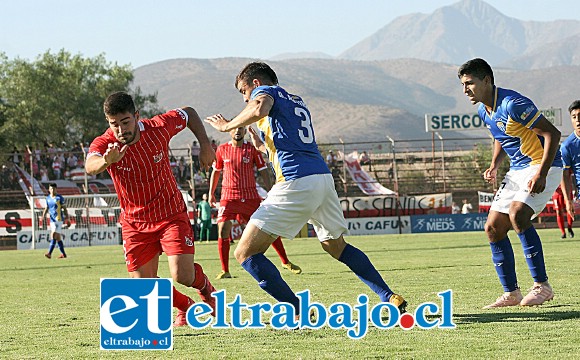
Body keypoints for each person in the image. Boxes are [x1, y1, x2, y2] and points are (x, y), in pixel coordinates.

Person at [205, 62, 406, 320]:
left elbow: (258, 106)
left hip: (296, 180)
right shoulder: (296, 101)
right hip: (321, 178)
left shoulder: (266, 93)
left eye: (244, 91)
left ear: (256, 83)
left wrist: (227, 125)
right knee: (336, 247)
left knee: (245, 253)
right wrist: (263, 146)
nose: (245, 98)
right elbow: (289, 142)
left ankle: (297, 310)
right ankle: (388, 296)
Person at [85, 91, 218, 327]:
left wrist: (205, 145)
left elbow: (189, 113)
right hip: (135, 223)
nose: (120, 129)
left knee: (182, 275)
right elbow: (90, 165)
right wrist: (107, 161)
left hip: (170, 215)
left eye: (125, 122)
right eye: (114, 124)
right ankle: (186, 307)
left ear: (136, 116)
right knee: (142, 286)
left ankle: (207, 290)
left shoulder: (158, 127)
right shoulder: (106, 143)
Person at [458, 58, 562, 308]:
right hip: (517, 170)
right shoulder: (484, 109)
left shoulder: (513, 104)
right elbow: (501, 136)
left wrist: (542, 174)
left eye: (469, 83)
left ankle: (542, 286)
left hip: (543, 164)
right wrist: (494, 164)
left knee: (518, 214)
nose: (465, 90)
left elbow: (553, 134)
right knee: (493, 227)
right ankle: (511, 293)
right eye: (462, 85)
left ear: (487, 80)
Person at [209, 125, 302, 280]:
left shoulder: (251, 150)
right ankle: (225, 270)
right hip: (228, 197)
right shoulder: (222, 149)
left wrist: (271, 190)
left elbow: (263, 170)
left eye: (241, 129)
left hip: (250, 197)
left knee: (266, 227)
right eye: (235, 129)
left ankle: (285, 261)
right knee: (223, 230)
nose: (238, 131)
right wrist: (211, 193)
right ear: (229, 131)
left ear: (245, 131)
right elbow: (216, 172)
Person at [560, 100, 580, 237]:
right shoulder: (567, 146)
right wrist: (568, 201)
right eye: (574, 117)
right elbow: (564, 175)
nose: (578, 120)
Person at [43, 183, 69, 259]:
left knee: (53, 234)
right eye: (51, 189)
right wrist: (43, 216)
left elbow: (64, 209)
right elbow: (46, 208)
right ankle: (63, 254)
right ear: (49, 189)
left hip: (59, 219)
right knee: (58, 238)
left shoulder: (59, 198)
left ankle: (49, 253)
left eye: (54, 189)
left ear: (56, 189)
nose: (52, 190)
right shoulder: (47, 198)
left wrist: (67, 218)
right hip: (52, 219)